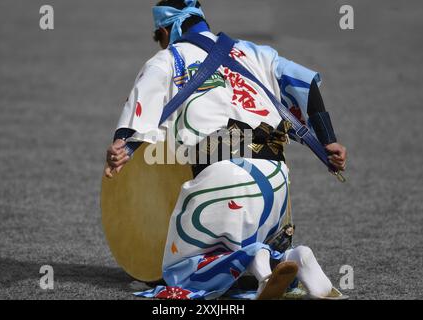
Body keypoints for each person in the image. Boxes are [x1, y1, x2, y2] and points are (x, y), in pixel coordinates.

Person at [105, 0, 347, 300]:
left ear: (169, 29)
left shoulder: (168, 60)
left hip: (220, 180)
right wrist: (328, 139)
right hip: (276, 179)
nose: (160, 43)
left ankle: (259, 259)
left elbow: (142, 104)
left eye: (159, 36)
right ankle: (293, 258)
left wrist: (122, 145)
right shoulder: (256, 53)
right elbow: (306, 83)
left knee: (181, 272)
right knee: (235, 245)